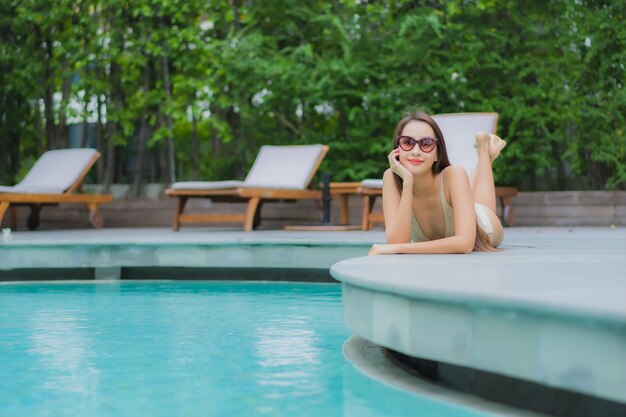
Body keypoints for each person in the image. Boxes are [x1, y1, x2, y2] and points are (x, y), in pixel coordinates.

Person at [369, 109, 507, 255]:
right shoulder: (391, 178)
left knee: (480, 206)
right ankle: (486, 153)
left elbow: (465, 244)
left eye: (426, 143)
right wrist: (407, 183)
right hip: (456, 201)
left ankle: (484, 152)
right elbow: (397, 240)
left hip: (483, 225)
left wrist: (399, 248)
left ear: (437, 154)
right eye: (408, 142)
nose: (416, 151)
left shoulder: (454, 173)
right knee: (463, 192)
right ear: (398, 148)